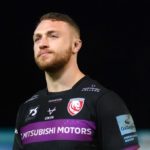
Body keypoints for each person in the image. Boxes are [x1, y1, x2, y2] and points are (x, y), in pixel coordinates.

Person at [13, 12, 140, 150]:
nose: (42, 44)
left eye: (53, 36)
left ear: (75, 45)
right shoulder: (27, 109)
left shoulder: (104, 101)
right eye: (37, 39)